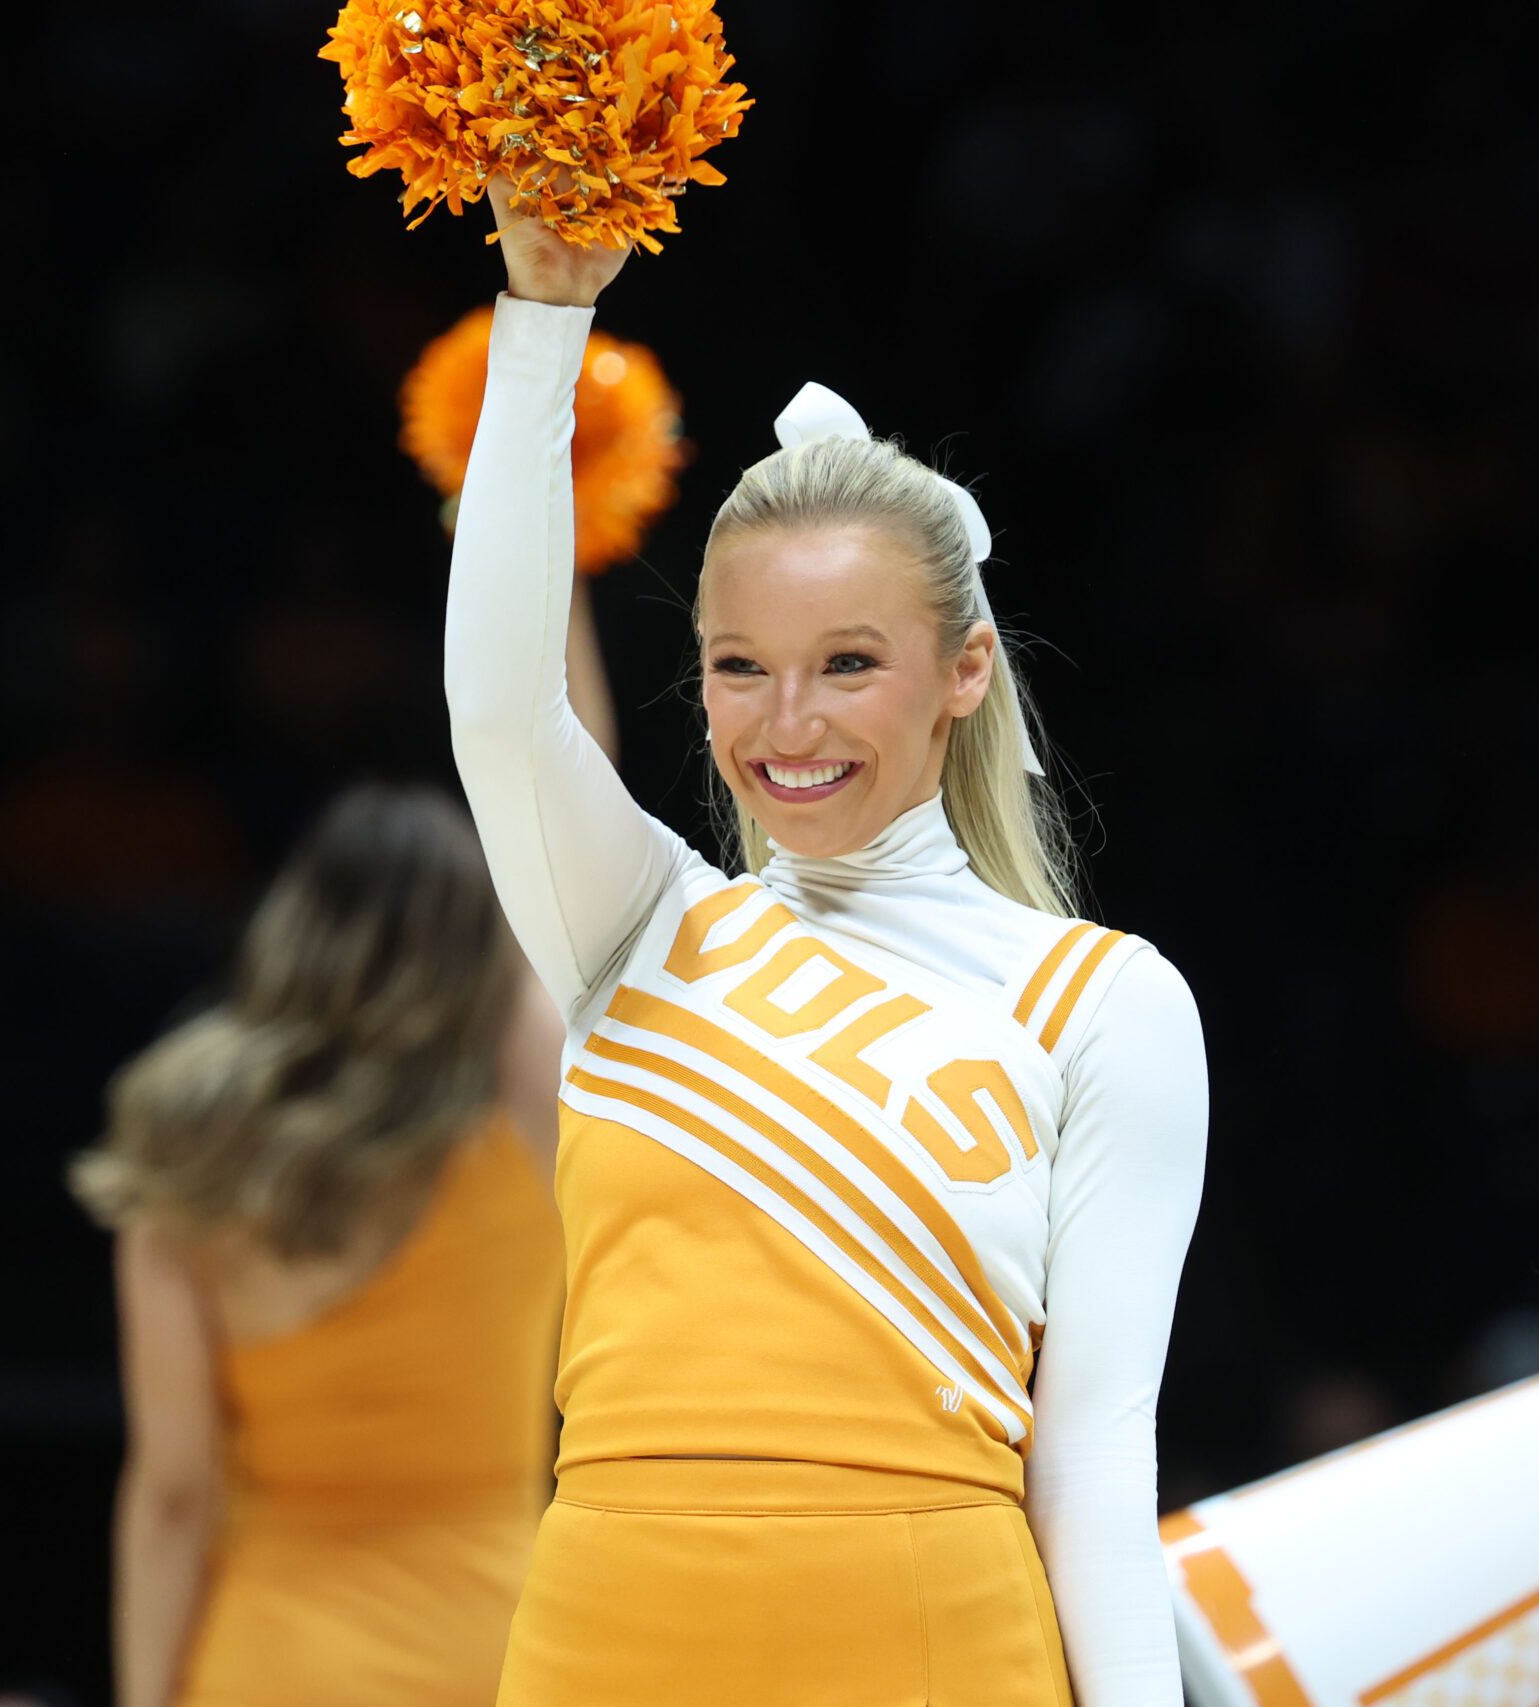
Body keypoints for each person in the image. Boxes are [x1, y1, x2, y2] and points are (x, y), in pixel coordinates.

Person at [446, 188, 1210, 1704]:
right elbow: (498, 709)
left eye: (848, 664)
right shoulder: (633, 921)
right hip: (610, 1634)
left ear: (963, 668)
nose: (786, 727)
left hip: (932, 1644)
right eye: (741, 668)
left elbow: (1097, 1455)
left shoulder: (1103, 1003)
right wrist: (542, 320)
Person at [73, 781, 569, 1707]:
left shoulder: (188, 1163)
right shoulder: (527, 1111)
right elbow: (551, 870)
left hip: (273, 1664)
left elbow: (175, 1495)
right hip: (500, 1656)